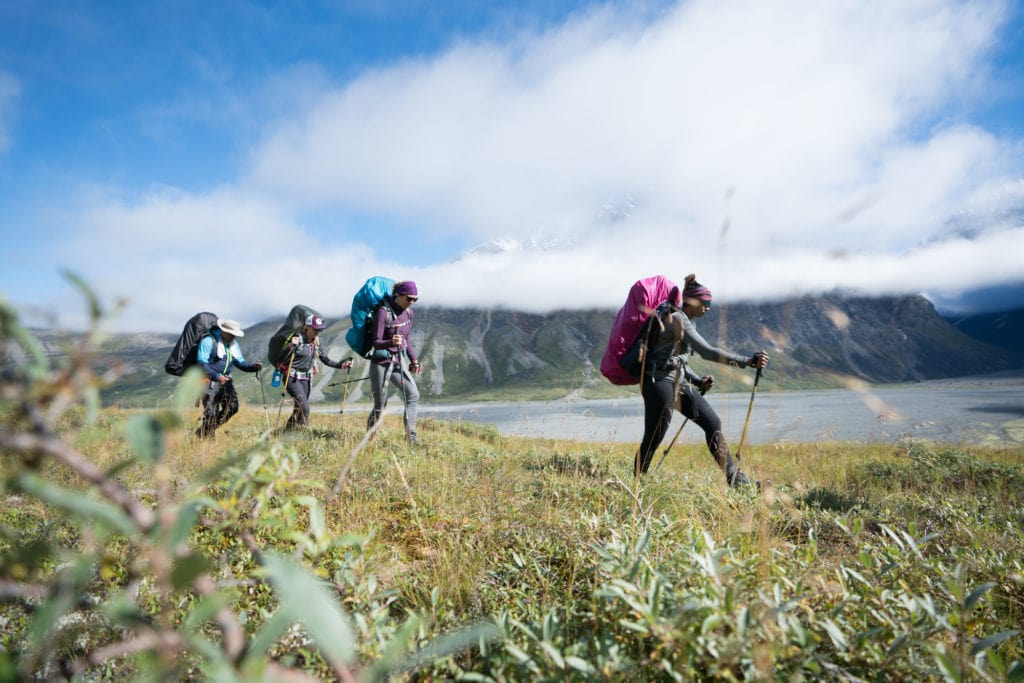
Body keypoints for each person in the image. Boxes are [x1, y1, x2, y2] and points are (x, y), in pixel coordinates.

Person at [633, 274, 769, 486]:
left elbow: (678, 360)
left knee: (712, 422)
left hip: (676, 382)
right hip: (658, 382)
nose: (708, 307)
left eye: (709, 303)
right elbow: (707, 352)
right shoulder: (677, 319)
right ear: (693, 302)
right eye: (705, 303)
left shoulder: (686, 321)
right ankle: (637, 485)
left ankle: (734, 480)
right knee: (654, 437)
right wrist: (747, 362)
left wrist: (697, 381)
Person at [366, 280, 423, 444]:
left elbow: (407, 339)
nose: (411, 302)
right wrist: (391, 342)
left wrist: (414, 360)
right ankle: (369, 439)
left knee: (413, 395)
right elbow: (376, 341)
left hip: (398, 362)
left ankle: (410, 437)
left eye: (415, 299)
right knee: (380, 405)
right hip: (380, 363)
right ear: (399, 295)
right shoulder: (383, 312)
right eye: (409, 298)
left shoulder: (409, 314)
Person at [278, 314, 355, 429]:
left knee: (298, 409)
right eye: (315, 329)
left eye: (319, 329)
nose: (317, 332)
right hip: (292, 377)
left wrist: (343, 365)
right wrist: (291, 346)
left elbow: (326, 360)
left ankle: (286, 432)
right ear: (307, 327)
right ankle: (302, 436)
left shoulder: (316, 342)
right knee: (305, 409)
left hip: (306, 378)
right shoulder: (296, 338)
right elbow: (280, 357)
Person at [195, 319, 262, 438]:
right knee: (211, 412)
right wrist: (216, 376)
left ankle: (204, 431)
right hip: (209, 382)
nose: (233, 337)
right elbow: (201, 364)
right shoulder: (208, 341)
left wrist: (254, 367)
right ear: (223, 331)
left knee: (232, 408)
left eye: (235, 334)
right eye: (231, 334)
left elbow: (241, 363)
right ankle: (208, 442)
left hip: (226, 382)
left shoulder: (233, 345)